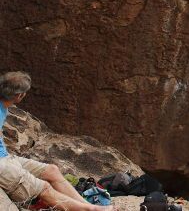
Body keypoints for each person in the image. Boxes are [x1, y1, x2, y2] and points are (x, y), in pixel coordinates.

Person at [0, 72, 112, 211]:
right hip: (2, 164)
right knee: (44, 188)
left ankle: (87, 205)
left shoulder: (4, 105)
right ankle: (90, 210)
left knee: (52, 170)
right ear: (20, 96)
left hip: (6, 157)